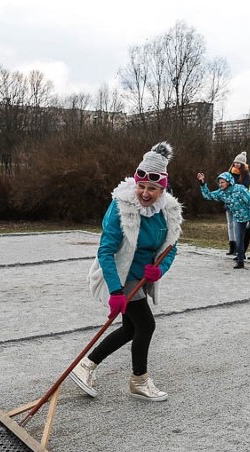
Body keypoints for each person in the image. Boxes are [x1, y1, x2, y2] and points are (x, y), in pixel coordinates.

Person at [68, 141, 183, 402]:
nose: (144, 193)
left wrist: (159, 270)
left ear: (161, 189)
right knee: (147, 325)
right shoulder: (121, 208)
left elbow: (171, 249)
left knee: (132, 329)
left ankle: (86, 366)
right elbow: (105, 251)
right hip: (122, 273)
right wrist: (116, 291)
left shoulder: (168, 211)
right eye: (141, 186)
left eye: (152, 188)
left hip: (143, 276)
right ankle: (139, 380)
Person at [197, 170, 250, 269]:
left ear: (229, 181)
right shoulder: (221, 193)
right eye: (219, 182)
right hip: (238, 218)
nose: (220, 184)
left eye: (222, 182)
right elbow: (208, 195)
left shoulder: (240, 189)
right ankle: (240, 261)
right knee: (239, 240)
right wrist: (202, 184)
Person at [224, 151, 250, 257]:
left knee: (236, 225)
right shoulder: (229, 173)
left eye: (239, 163)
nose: (236, 164)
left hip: (238, 204)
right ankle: (232, 245)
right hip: (229, 202)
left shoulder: (245, 175)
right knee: (230, 225)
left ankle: (238, 247)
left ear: (243, 164)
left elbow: (245, 189)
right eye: (235, 162)